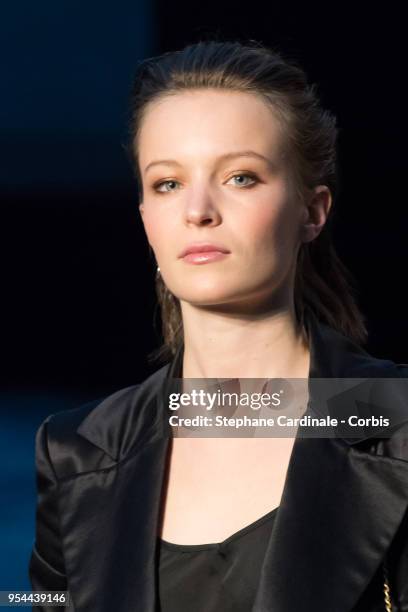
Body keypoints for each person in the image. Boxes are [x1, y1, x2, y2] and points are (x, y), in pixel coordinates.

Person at [29, 39, 408, 611]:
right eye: (167, 183)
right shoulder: (77, 453)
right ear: (146, 219)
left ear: (312, 211)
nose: (197, 210)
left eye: (240, 177)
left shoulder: (398, 422)